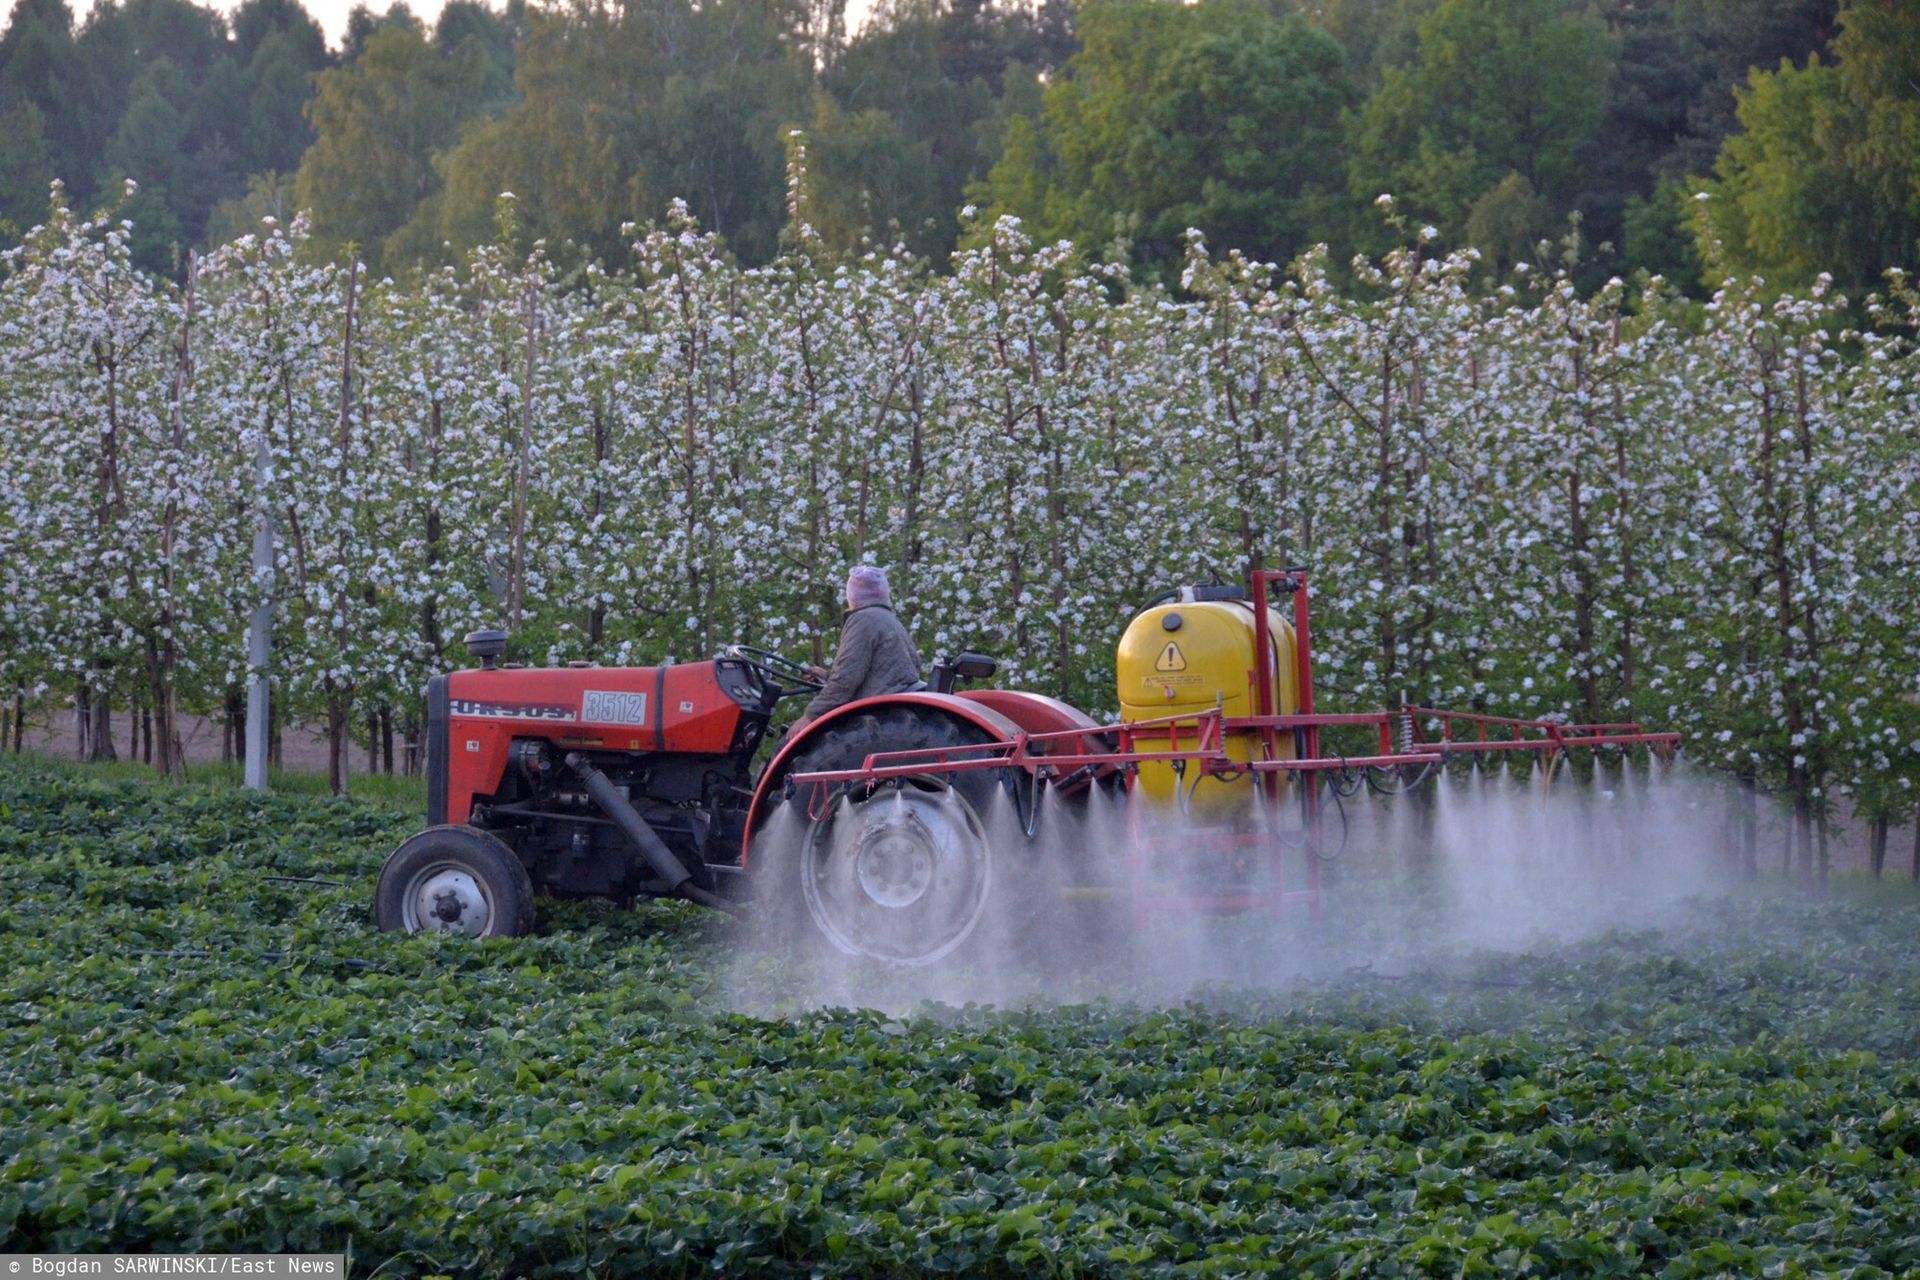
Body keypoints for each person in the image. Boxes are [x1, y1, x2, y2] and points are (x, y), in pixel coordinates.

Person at [790, 565, 924, 732]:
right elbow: (878, 673)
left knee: (786, 742)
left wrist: (810, 715)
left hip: (878, 714)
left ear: (852, 597)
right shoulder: (889, 620)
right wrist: (826, 676)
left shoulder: (863, 620)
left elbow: (846, 679)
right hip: (889, 704)